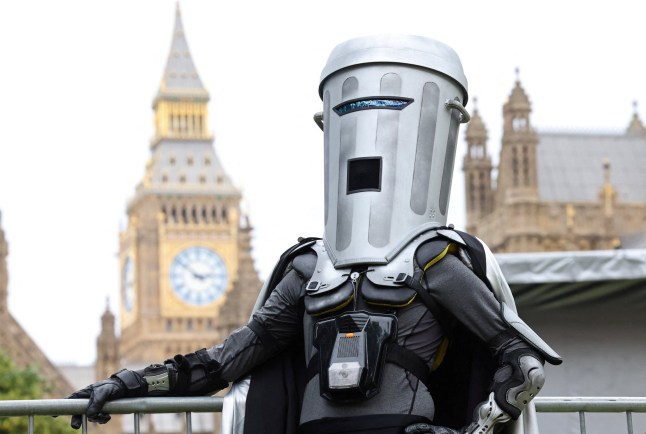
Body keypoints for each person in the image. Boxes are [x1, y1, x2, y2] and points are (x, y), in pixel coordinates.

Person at [67, 35, 561, 434]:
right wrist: (127, 382)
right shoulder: (311, 268)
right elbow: (220, 364)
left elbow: (523, 366)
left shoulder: (432, 259)